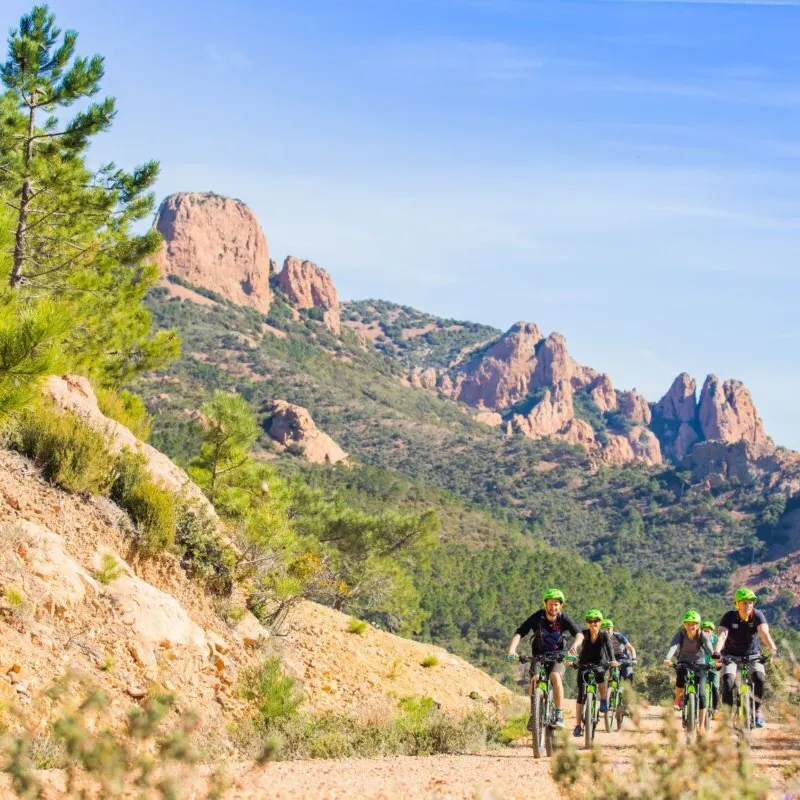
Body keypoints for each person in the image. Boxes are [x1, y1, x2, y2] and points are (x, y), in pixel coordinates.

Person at [507, 588, 581, 730]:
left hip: (558, 655)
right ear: (545, 604)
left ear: (561, 606)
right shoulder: (538, 617)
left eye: (556, 604)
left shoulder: (563, 618)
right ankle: (534, 713)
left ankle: (559, 714)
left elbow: (579, 634)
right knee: (534, 679)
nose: (553, 607)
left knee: (555, 675)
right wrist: (512, 650)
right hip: (539, 656)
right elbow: (520, 632)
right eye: (551, 604)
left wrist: (575, 646)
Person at [713, 587, 778, 728]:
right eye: (744, 603)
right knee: (728, 681)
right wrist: (717, 652)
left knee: (759, 678)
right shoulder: (729, 616)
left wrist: (772, 648)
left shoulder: (758, 615)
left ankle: (756, 710)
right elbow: (722, 635)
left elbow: (763, 633)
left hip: (753, 655)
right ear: (736, 604)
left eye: (750, 602)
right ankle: (727, 714)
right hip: (731, 656)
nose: (747, 606)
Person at [663, 610, 714, 734]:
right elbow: (673, 647)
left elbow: (709, 648)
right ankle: (677, 700)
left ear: (698, 625)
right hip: (683, 661)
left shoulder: (702, 635)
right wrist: (668, 658)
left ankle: (701, 726)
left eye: (694, 623)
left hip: (700, 663)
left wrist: (714, 659)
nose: (691, 626)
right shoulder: (680, 634)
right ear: (684, 625)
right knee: (680, 676)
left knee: (702, 693)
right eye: (688, 623)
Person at [573, 609, 617, 738]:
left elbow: (609, 649)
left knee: (599, 675)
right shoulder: (584, 634)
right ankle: (577, 725)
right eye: (590, 621)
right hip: (584, 663)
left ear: (601, 622)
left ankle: (603, 700)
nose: (593, 624)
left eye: (596, 621)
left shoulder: (604, 635)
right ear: (587, 623)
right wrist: (572, 655)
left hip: (599, 663)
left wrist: (613, 660)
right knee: (581, 694)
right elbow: (577, 643)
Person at [701, 620, 720, 714]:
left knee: (715, 687)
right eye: (704, 630)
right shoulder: (699, 639)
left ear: (712, 632)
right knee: (700, 686)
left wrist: (718, 662)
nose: (706, 632)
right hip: (702, 666)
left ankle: (716, 709)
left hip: (714, 666)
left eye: (708, 631)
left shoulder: (716, 639)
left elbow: (721, 651)